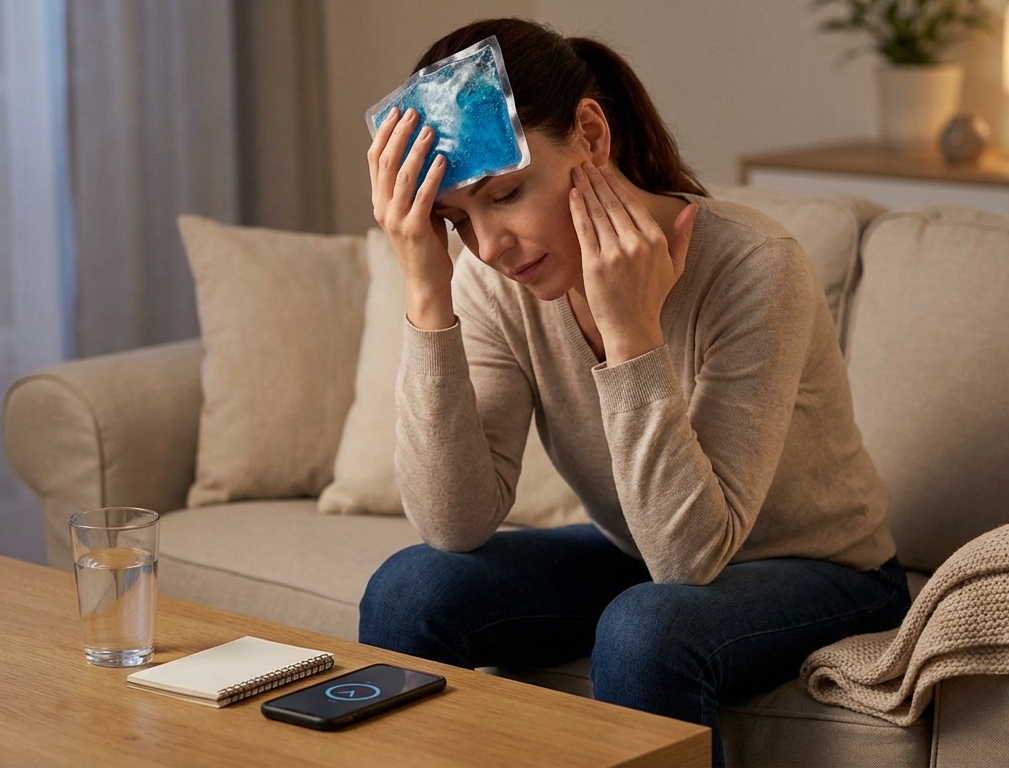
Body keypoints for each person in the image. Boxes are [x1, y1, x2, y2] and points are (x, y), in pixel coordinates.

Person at [359, 18, 910, 766]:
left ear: (591, 134)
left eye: (508, 194)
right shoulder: (492, 282)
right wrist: (427, 289)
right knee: (410, 589)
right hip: (644, 551)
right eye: (456, 220)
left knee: (647, 628)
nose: (489, 247)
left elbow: (691, 559)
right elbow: (454, 523)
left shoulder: (753, 266)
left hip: (824, 571)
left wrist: (630, 335)